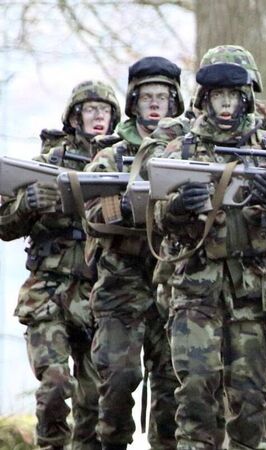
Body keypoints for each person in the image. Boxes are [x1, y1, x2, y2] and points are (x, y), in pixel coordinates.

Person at [152, 46, 266, 450]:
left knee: (253, 403)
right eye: (218, 95)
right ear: (204, 98)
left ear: (246, 98)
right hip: (196, 288)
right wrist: (177, 207)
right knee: (195, 397)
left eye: (233, 95)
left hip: (256, 291)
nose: (225, 104)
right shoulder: (181, 149)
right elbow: (153, 215)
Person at [0, 80, 119, 450]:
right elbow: (4, 225)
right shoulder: (45, 165)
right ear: (74, 117)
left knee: (94, 401)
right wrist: (27, 203)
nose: (98, 116)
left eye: (104, 110)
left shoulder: (121, 163)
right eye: (90, 109)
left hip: (99, 296)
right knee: (55, 384)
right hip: (48, 294)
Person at [83, 56, 184, 450]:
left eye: (163, 97)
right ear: (133, 102)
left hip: (172, 285)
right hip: (120, 283)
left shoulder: (186, 152)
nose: (155, 104)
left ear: (175, 102)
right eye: (147, 97)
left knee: (173, 388)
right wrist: (122, 208)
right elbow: (88, 208)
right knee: (117, 379)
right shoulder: (111, 155)